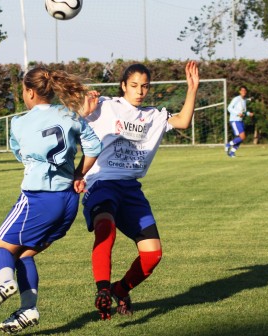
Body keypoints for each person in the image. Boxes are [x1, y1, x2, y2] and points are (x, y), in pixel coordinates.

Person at [0, 67, 102, 334]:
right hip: (68, 202)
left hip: (37, 198)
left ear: (30, 91)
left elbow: (20, 155)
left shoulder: (20, 123)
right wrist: (79, 172)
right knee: (24, 253)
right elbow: (94, 147)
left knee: (0, 248)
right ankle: (28, 309)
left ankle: (5, 283)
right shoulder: (70, 114)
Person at [81, 61, 199, 320]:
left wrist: (192, 89)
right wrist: (83, 106)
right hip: (101, 183)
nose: (139, 91)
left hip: (131, 190)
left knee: (153, 254)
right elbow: (74, 115)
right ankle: (102, 289)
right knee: (105, 227)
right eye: (134, 85)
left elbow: (182, 121)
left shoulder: (153, 116)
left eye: (144, 86)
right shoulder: (105, 106)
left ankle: (120, 290)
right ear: (123, 85)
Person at [225, 85, 254, 157]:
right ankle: (228, 144)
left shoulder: (244, 100)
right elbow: (229, 108)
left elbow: (243, 111)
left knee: (241, 138)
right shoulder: (236, 99)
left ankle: (232, 152)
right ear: (239, 91)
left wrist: (248, 113)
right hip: (234, 120)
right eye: (242, 90)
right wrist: (238, 113)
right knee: (242, 137)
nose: (243, 92)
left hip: (240, 120)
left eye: (245, 90)